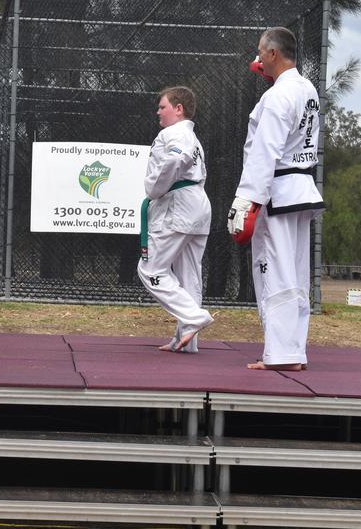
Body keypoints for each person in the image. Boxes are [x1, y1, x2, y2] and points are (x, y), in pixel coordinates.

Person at [228, 27, 324, 371]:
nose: (257, 59)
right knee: (295, 272)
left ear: (272, 54)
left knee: (274, 271)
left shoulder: (277, 98)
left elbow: (264, 151)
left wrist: (247, 201)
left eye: (260, 53)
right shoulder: (306, 89)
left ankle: (282, 354)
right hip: (300, 191)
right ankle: (292, 351)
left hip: (277, 193)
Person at [137, 87, 214, 353]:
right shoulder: (192, 137)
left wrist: (154, 189)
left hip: (179, 206)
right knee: (188, 275)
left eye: (163, 107)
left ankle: (195, 317)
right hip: (198, 205)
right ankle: (187, 341)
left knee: (150, 269)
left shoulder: (174, 133)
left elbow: (175, 158)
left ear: (178, 109)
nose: (158, 112)